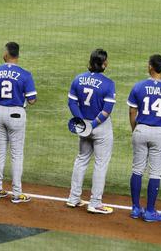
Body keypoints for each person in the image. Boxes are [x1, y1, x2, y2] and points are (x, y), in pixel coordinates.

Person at [127, 54, 161, 222]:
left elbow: (132, 111)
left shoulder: (139, 86)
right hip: (159, 132)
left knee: (137, 170)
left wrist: (135, 129)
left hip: (140, 130)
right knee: (155, 172)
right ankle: (150, 211)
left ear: (151, 66)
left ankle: (135, 209)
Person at [0, 41, 37, 204]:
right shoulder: (25, 74)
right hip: (16, 115)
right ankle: (16, 193)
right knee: (16, 154)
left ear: (6, 54)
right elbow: (33, 100)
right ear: (17, 55)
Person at [67, 47, 116, 215]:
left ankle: (73, 198)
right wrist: (93, 125)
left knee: (81, 160)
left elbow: (72, 103)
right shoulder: (108, 83)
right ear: (104, 63)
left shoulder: (78, 79)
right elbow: (106, 110)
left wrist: (82, 122)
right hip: (100, 127)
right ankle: (95, 203)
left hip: (83, 126)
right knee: (100, 164)